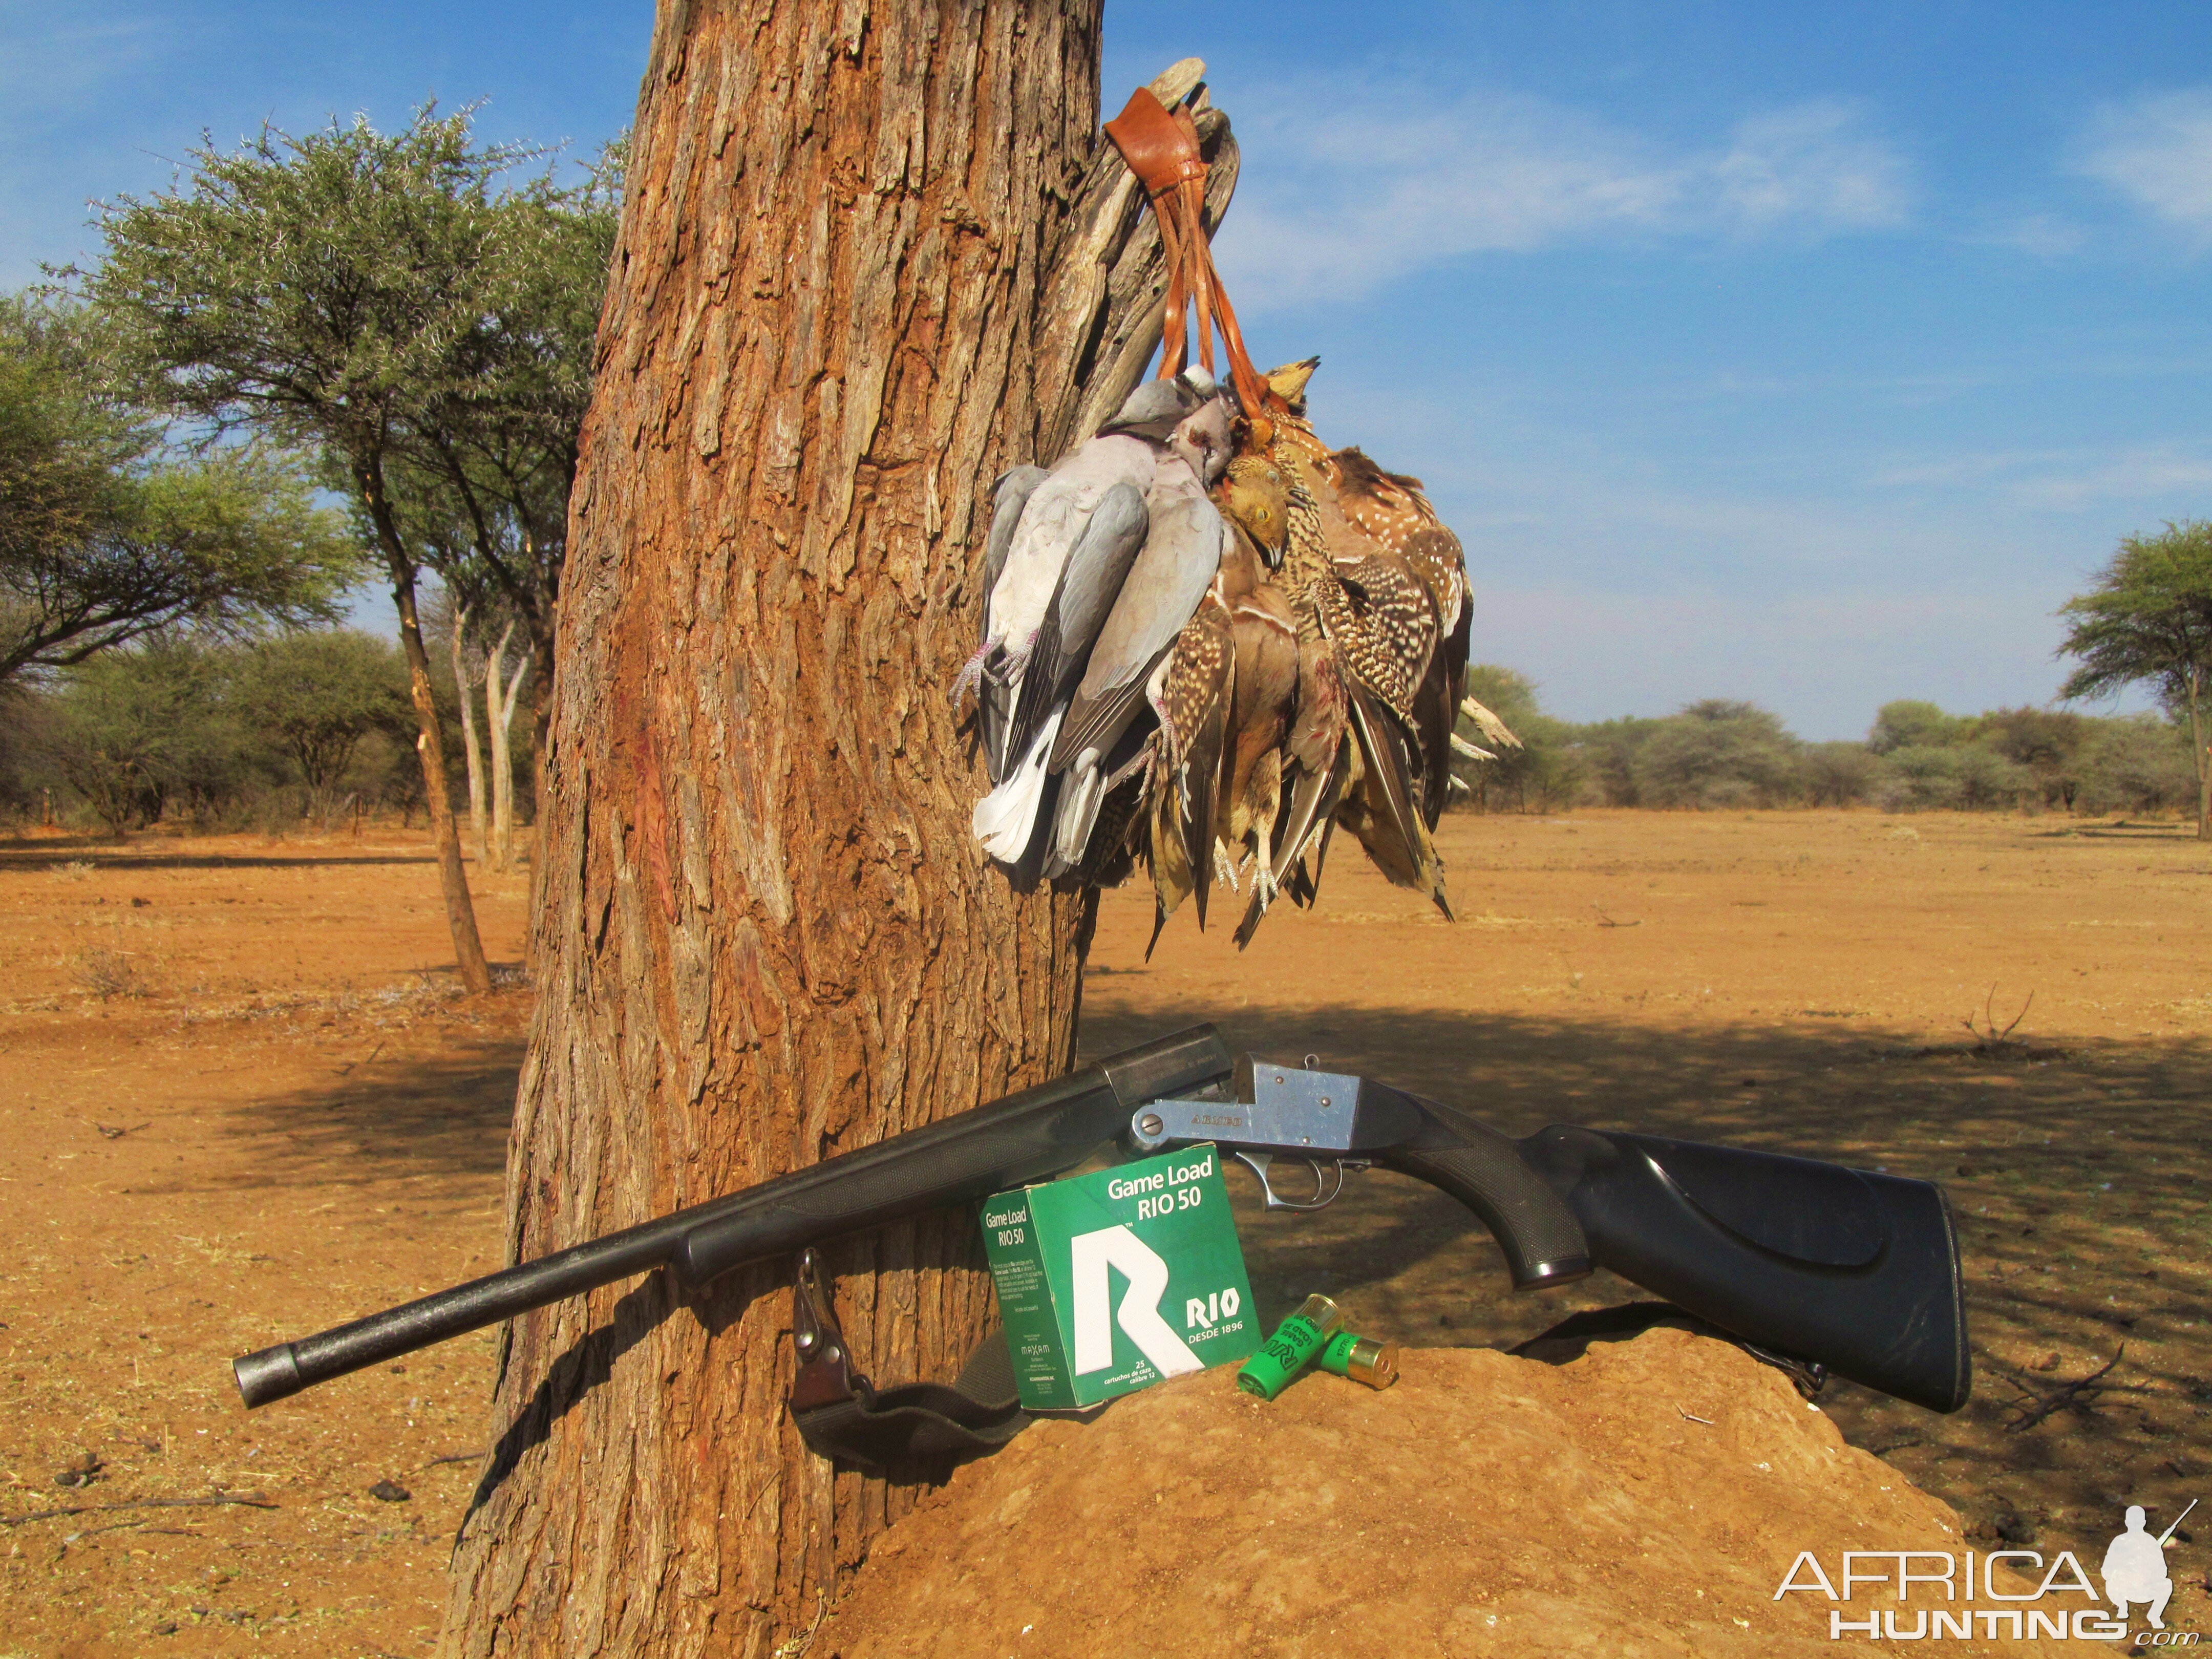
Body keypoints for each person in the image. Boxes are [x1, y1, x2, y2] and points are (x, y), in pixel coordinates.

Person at [2101, 1505, 2172, 1629]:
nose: (2135, 1524)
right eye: (2133, 1521)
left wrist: (2148, 1571)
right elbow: (2107, 1569)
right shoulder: (2119, 1541)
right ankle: (2122, 1606)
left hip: (2146, 1589)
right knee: (2114, 1578)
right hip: (2123, 1589)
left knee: (2167, 1584)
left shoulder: (2151, 1542)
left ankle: (2154, 1615)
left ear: (2144, 1522)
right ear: (2127, 1522)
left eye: (2138, 1521)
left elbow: (2162, 1571)